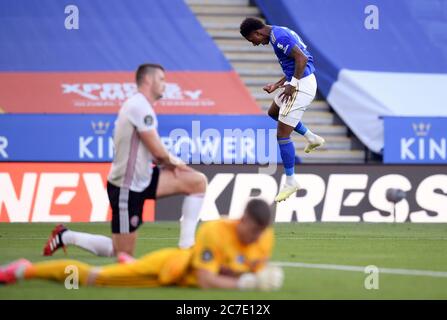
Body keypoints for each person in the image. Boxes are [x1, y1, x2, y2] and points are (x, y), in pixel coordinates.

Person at [43, 63, 207, 258]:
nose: (165, 84)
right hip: (125, 188)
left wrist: (178, 167)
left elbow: (157, 153)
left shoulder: (142, 106)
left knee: (197, 182)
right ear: (148, 80)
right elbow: (159, 153)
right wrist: (179, 166)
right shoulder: (138, 107)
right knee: (121, 253)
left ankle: (186, 247)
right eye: (161, 79)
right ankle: (66, 236)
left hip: (143, 178)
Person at [1, 199, 284, 291]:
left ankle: (131, 263)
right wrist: (246, 284)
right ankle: (25, 270)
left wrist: (255, 273)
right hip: (169, 268)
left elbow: (237, 266)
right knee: (93, 279)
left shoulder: (264, 237)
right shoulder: (215, 231)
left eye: (261, 234)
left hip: (179, 279)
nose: (256, 239)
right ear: (242, 220)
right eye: (253, 231)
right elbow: (206, 278)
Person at [240, 17, 325, 202]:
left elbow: (302, 58)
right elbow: (294, 62)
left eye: (251, 40)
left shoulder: (279, 38)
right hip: (297, 81)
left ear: (257, 33)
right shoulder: (278, 31)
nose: (253, 44)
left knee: (282, 135)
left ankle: (291, 181)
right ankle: (311, 137)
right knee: (273, 113)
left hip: (302, 85)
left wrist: (292, 84)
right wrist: (277, 84)